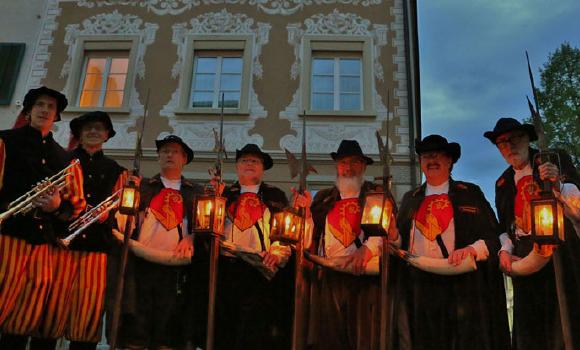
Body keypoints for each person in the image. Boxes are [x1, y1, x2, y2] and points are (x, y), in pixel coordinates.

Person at [394, 134, 510, 350]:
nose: (431, 160)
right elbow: (399, 244)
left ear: (450, 161)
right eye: (426, 156)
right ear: (420, 163)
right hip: (419, 287)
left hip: (462, 287)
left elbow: (493, 236)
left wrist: (471, 249)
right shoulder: (411, 198)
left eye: (437, 155)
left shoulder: (470, 193)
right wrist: (392, 236)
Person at [32, 111, 127, 350]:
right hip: (59, 244)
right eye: (88, 128)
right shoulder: (60, 161)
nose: (93, 132)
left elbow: (123, 212)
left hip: (96, 250)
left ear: (106, 135)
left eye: (99, 128)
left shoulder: (118, 171)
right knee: (49, 313)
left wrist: (108, 216)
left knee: (87, 315)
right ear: (79, 134)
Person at [0, 86, 85, 349]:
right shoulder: (5, 141)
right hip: (7, 237)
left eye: (51, 107)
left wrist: (57, 206)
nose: (45, 110)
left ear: (56, 115)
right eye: (40, 105)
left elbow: (75, 207)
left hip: (43, 243)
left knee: (27, 312)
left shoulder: (66, 158)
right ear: (28, 110)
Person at [484, 117, 580, 349]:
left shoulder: (553, 159)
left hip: (562, 252)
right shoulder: (503, 183)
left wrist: (557, 186)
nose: (509, 146)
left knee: (566, 320)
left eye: (514, 138)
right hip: (527, 259)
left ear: (527, 138)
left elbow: (577, 207)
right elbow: (505, 227)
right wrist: (505, 252)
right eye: (502, 143)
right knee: (530, 328)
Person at [307, 140, 398, 350]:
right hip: (331, 277)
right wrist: (303, 211)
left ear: (364, 166)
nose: (348, 168)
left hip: (366, 278)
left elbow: (386, 230)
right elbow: (312, 233)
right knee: (330, 337)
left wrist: (366, 249)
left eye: (355, 162)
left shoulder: (376, 194)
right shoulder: (324, 198)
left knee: (364, 338)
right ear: (337, 166)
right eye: (343, 162)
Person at [121, 135, 202, 350]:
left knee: (168, 326)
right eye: (165, 151)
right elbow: (125, 222)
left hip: (176, 269)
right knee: (137, 325)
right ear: (158, 156)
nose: (169, 155)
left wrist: (191, 237)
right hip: (141, 264)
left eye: (175, 151)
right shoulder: (144, 186)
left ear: (184, 159)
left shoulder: (195, 192)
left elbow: (204, 227)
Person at [212, 143, 293, 349]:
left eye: (255, 161)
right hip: (227, 268)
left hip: (260, 269)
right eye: (245, 160)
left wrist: (276, 253)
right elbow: (209, 227)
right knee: (225, 323)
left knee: (255, 326)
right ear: (237, 166)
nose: (249, 164)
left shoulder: (275, 196)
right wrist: (215, 198)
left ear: (262, 167)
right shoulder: (225, 194)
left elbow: (284, 233)